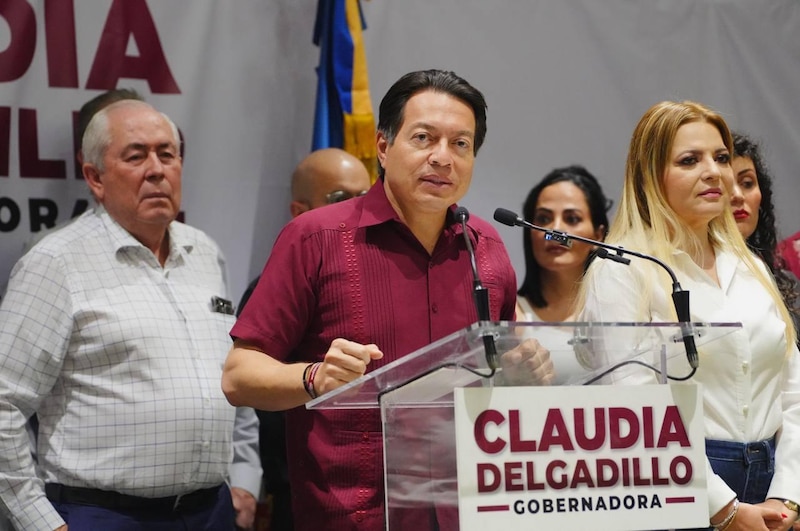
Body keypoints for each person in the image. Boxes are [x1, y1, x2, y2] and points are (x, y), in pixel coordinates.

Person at [222, 69, 552, 531]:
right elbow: (240, 376)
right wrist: (314, 376)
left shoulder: (488, 248)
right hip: (352, 518)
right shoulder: (314, 238)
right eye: (423, 138)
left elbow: (503, 369)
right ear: (383, 146)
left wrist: (524, 372)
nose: (443, 158)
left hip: (473, 513)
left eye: (461, 144)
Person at [0, 99, 260, 531]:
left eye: (167, 154)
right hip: (101, 515)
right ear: (95, 177)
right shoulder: (56, 262)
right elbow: (4, 400)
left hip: (211, 511)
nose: (156, 170)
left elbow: (233, 371)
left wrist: (247, 478)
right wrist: (40, 522)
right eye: (136, 156)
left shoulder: (205, 252)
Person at [578, 100, 800, 530]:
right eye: (689, 160)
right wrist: (724, 509)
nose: (714, 171)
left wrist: (788, 494)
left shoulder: (751, 265)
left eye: (720, 157)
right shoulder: (622, 270)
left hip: (772, 484)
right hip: (676, 491)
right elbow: (636, 410)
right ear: (650, 174)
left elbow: (794, 391)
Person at [237, 147, 371, 531]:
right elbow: (247, 388)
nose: (359, 209)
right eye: (342, 199)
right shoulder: (274, 289)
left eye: (367, 196)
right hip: (306, 501)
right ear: (299, 212)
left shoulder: (381, 278)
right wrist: (317, 378)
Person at [730, 132, 799, 320]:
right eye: (724, 185)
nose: (737, 195)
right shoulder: (677, 281)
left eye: (747, 183)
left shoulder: (786, 284)